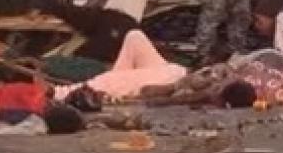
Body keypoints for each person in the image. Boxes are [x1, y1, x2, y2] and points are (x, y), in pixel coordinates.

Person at [56, 29, 187, 103]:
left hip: (172, 81)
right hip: (174, 72)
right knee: (134, 36)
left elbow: (149, 92)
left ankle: (60, 92)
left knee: (108, 81)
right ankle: (60, 91)